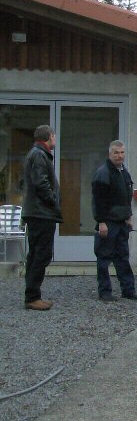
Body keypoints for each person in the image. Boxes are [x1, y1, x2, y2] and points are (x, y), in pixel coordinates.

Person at [92, 140, 137, 302]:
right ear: (110, 154)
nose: (120, 156)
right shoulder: (103, 173)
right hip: (108, 223)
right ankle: (105, 292)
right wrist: (101, 222)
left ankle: (128, 290)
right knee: (104, 258)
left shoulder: (124, 172)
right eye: (116, 152)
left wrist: (129, 217)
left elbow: (126, 197)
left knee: (122, 258)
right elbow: (98, 201)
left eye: (122, 152)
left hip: (122, 222)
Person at [22, 124, 62, 311]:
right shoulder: (39, 155)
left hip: (37, 212)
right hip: (41, 213)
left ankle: (32, 295)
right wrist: (52, 201)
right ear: (49, 136)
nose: (55, 139)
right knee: (40, 255)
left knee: (35, 254)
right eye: (54, 136)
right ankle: (33, 297)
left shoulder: (36, 153)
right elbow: (41, 182)